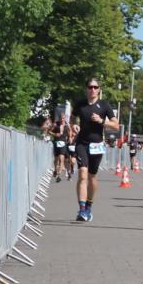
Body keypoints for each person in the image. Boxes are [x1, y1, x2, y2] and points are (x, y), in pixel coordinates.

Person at [73, 78, 121, 222]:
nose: (92, 89)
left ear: (99, 89)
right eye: (90, 87)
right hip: (81, 143)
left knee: (92, 176)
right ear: (86, 89)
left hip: (97, 145)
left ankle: (88, 205)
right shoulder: (80, 104)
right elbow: (73, 117)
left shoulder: (104, 105)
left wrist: (102, 121)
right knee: (82, 174)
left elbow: (116, 125)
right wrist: (73, 125)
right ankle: (81, 210)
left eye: (95, 87)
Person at [51, 113, 69, 182]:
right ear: (59, 118)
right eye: (61, 118)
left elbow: (69, 134)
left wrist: (69, 139)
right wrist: (55, 134)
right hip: (56, 142)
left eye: (63, 118)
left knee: (61, 159)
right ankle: (55, 170)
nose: (62, 120)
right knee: (56, 159)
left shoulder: (66, 126)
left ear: (65, 119)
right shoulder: (55, 124)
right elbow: (49, 131)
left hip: (63, 143)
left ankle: (59, 174)